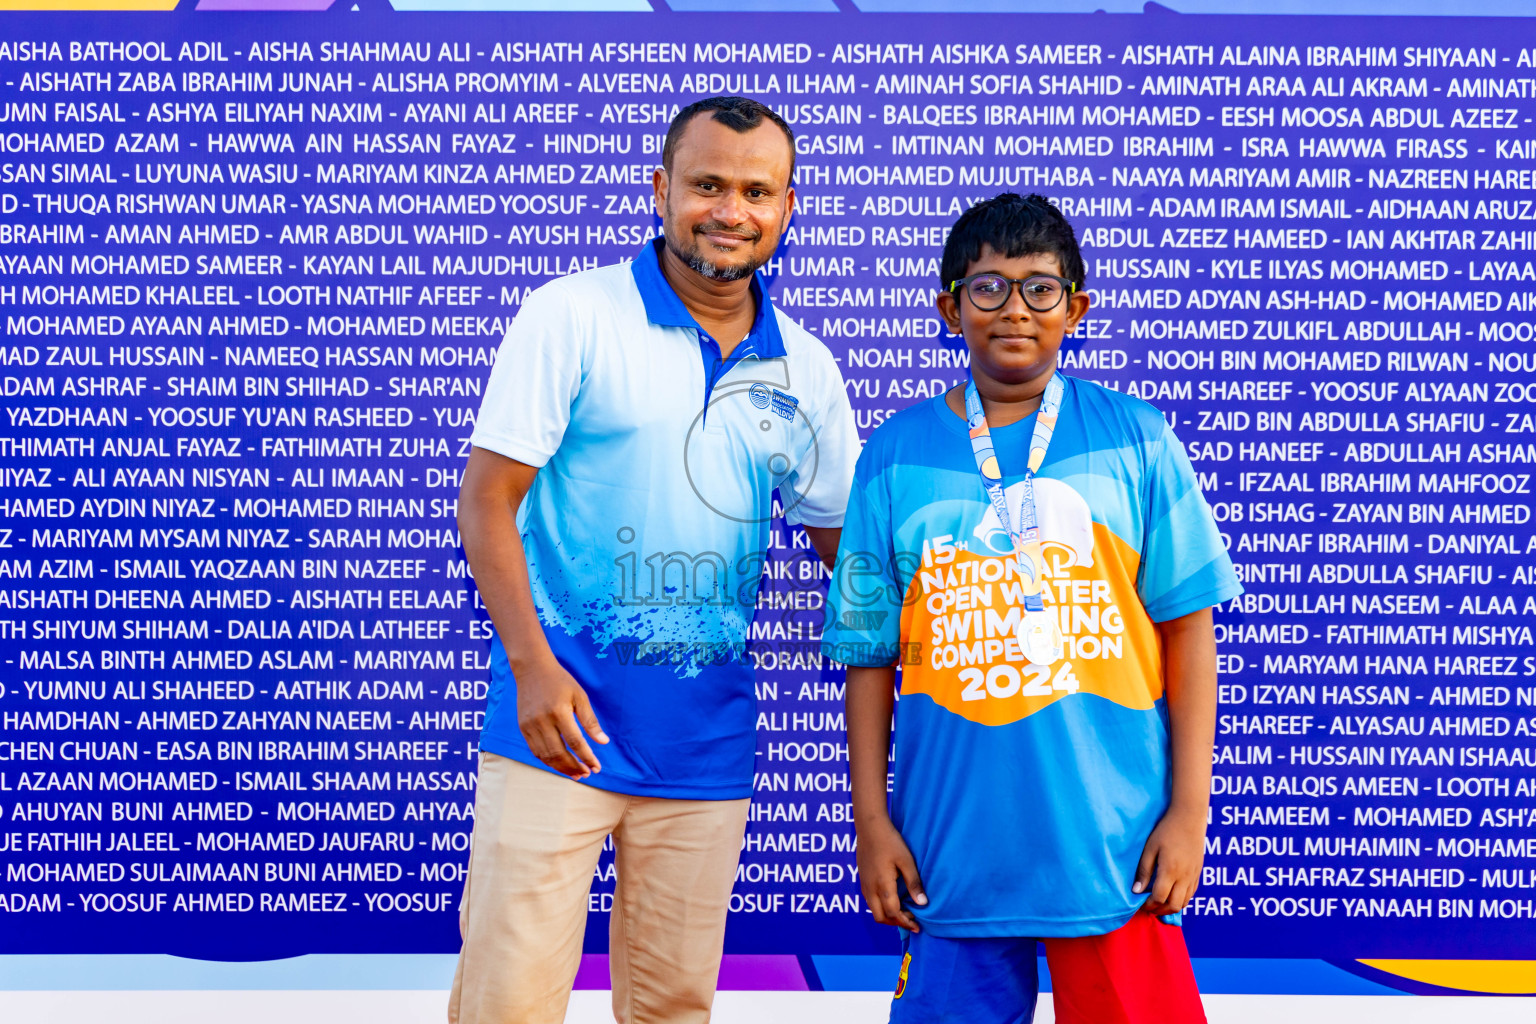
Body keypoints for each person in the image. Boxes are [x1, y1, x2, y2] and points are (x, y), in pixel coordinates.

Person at [450, 96, 858, 1024]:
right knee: (506, 1003)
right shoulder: (571, 315)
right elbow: (487, 501)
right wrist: (533, 673)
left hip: (703, 745)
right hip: (556, 730)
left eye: (756, 191)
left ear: (787, 208)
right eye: (707, 184)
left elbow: (845, 548)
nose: (729, 210)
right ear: (661, 189)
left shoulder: (808, 368)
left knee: (674, 1006)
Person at [822, 192, 1241, 1024]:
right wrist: (872, 821)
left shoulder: (1135, 437)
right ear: (949, 307)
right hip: (950, 851)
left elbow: (1190, 632)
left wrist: (1189, 813)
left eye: (1040, 288)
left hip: (1114, 849)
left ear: (1076, 307)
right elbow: (867, 656)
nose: (1014, 309)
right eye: (988, 288)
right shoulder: (896, 452)